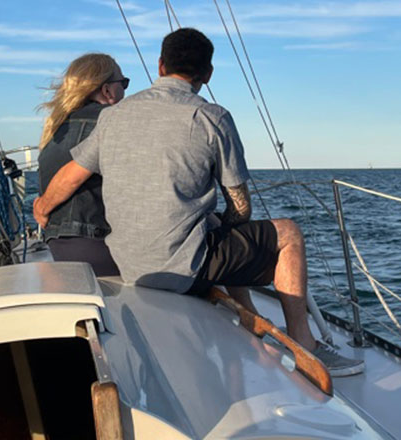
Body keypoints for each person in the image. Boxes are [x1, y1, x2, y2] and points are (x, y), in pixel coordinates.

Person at [34, 28, 364, 377]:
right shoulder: (213, 117)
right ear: (207, 75)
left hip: (129, 266)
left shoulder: (115, 116)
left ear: (160, 66)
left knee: (219, 231)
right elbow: (241, 205)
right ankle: (306, 344)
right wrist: (227, 220)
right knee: (287, 233)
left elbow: (72, 175)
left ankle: (248, 314)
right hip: (183, 271)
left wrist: (42, 206)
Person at [36, 53, 128, 276]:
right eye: (123, 83)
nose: (125, 90)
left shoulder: (55, 127)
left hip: (61, 247)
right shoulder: (115, 121)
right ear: (107, 90)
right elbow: (73, 176)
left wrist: (42, 206)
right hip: (102, 245)